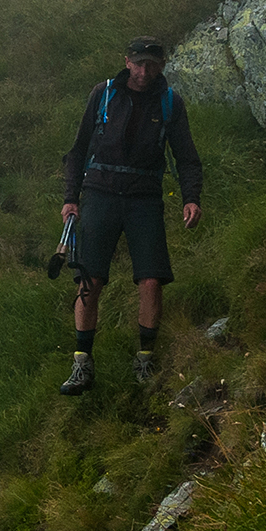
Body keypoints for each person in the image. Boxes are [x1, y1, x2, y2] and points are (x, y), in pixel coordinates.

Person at [58, 36, 203, 393]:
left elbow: (186, 157)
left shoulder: (170, 103)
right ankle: (82, 363)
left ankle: (145, 361)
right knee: (89, 279)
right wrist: (70, 199)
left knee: (151, 280)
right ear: (127, 61)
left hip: (144, 199)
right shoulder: (103, 94)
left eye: (151, 65)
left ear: (161, 66)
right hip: (100, 194)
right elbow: (78, 151)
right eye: (138, 63)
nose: (143, 71)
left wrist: (191, 198)